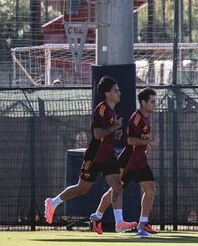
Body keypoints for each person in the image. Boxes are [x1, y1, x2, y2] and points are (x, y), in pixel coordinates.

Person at [43, 76, 135, 234]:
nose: (119, 93)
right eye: (116, 90)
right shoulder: (101, 110)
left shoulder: (111, 111)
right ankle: (53, 203)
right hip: (95, 156)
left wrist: (114, 134)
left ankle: (119, 223)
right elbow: (98, 134)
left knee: (117, 186)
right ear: (107, 93)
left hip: (108, 156)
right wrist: (114, 128)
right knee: (82, 188)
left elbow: (105, 134)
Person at [118, 87, 159, 236]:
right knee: (115, 191)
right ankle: (97, 215)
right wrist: (149, 142)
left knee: (150, 190)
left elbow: (140, 138)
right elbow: (130, 140)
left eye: (155, 101)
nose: (154, 104)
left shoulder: (147, 118)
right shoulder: (136, 118)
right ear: (143, 102)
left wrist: (146, 145)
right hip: (129, 161)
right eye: (152, 101)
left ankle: (143, 224)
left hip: (140, 161)